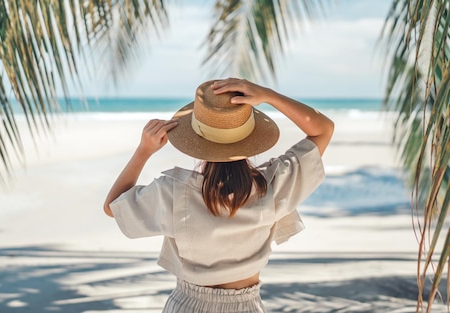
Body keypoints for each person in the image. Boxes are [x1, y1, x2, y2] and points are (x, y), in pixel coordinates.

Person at [104, 78, 334, 313]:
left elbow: (113, 207)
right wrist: (269, 96)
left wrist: (144, 151)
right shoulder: (273, 185)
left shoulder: (173, 190)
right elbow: (323, 129)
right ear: (251, 135)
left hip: (187, 305)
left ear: (196, 140)